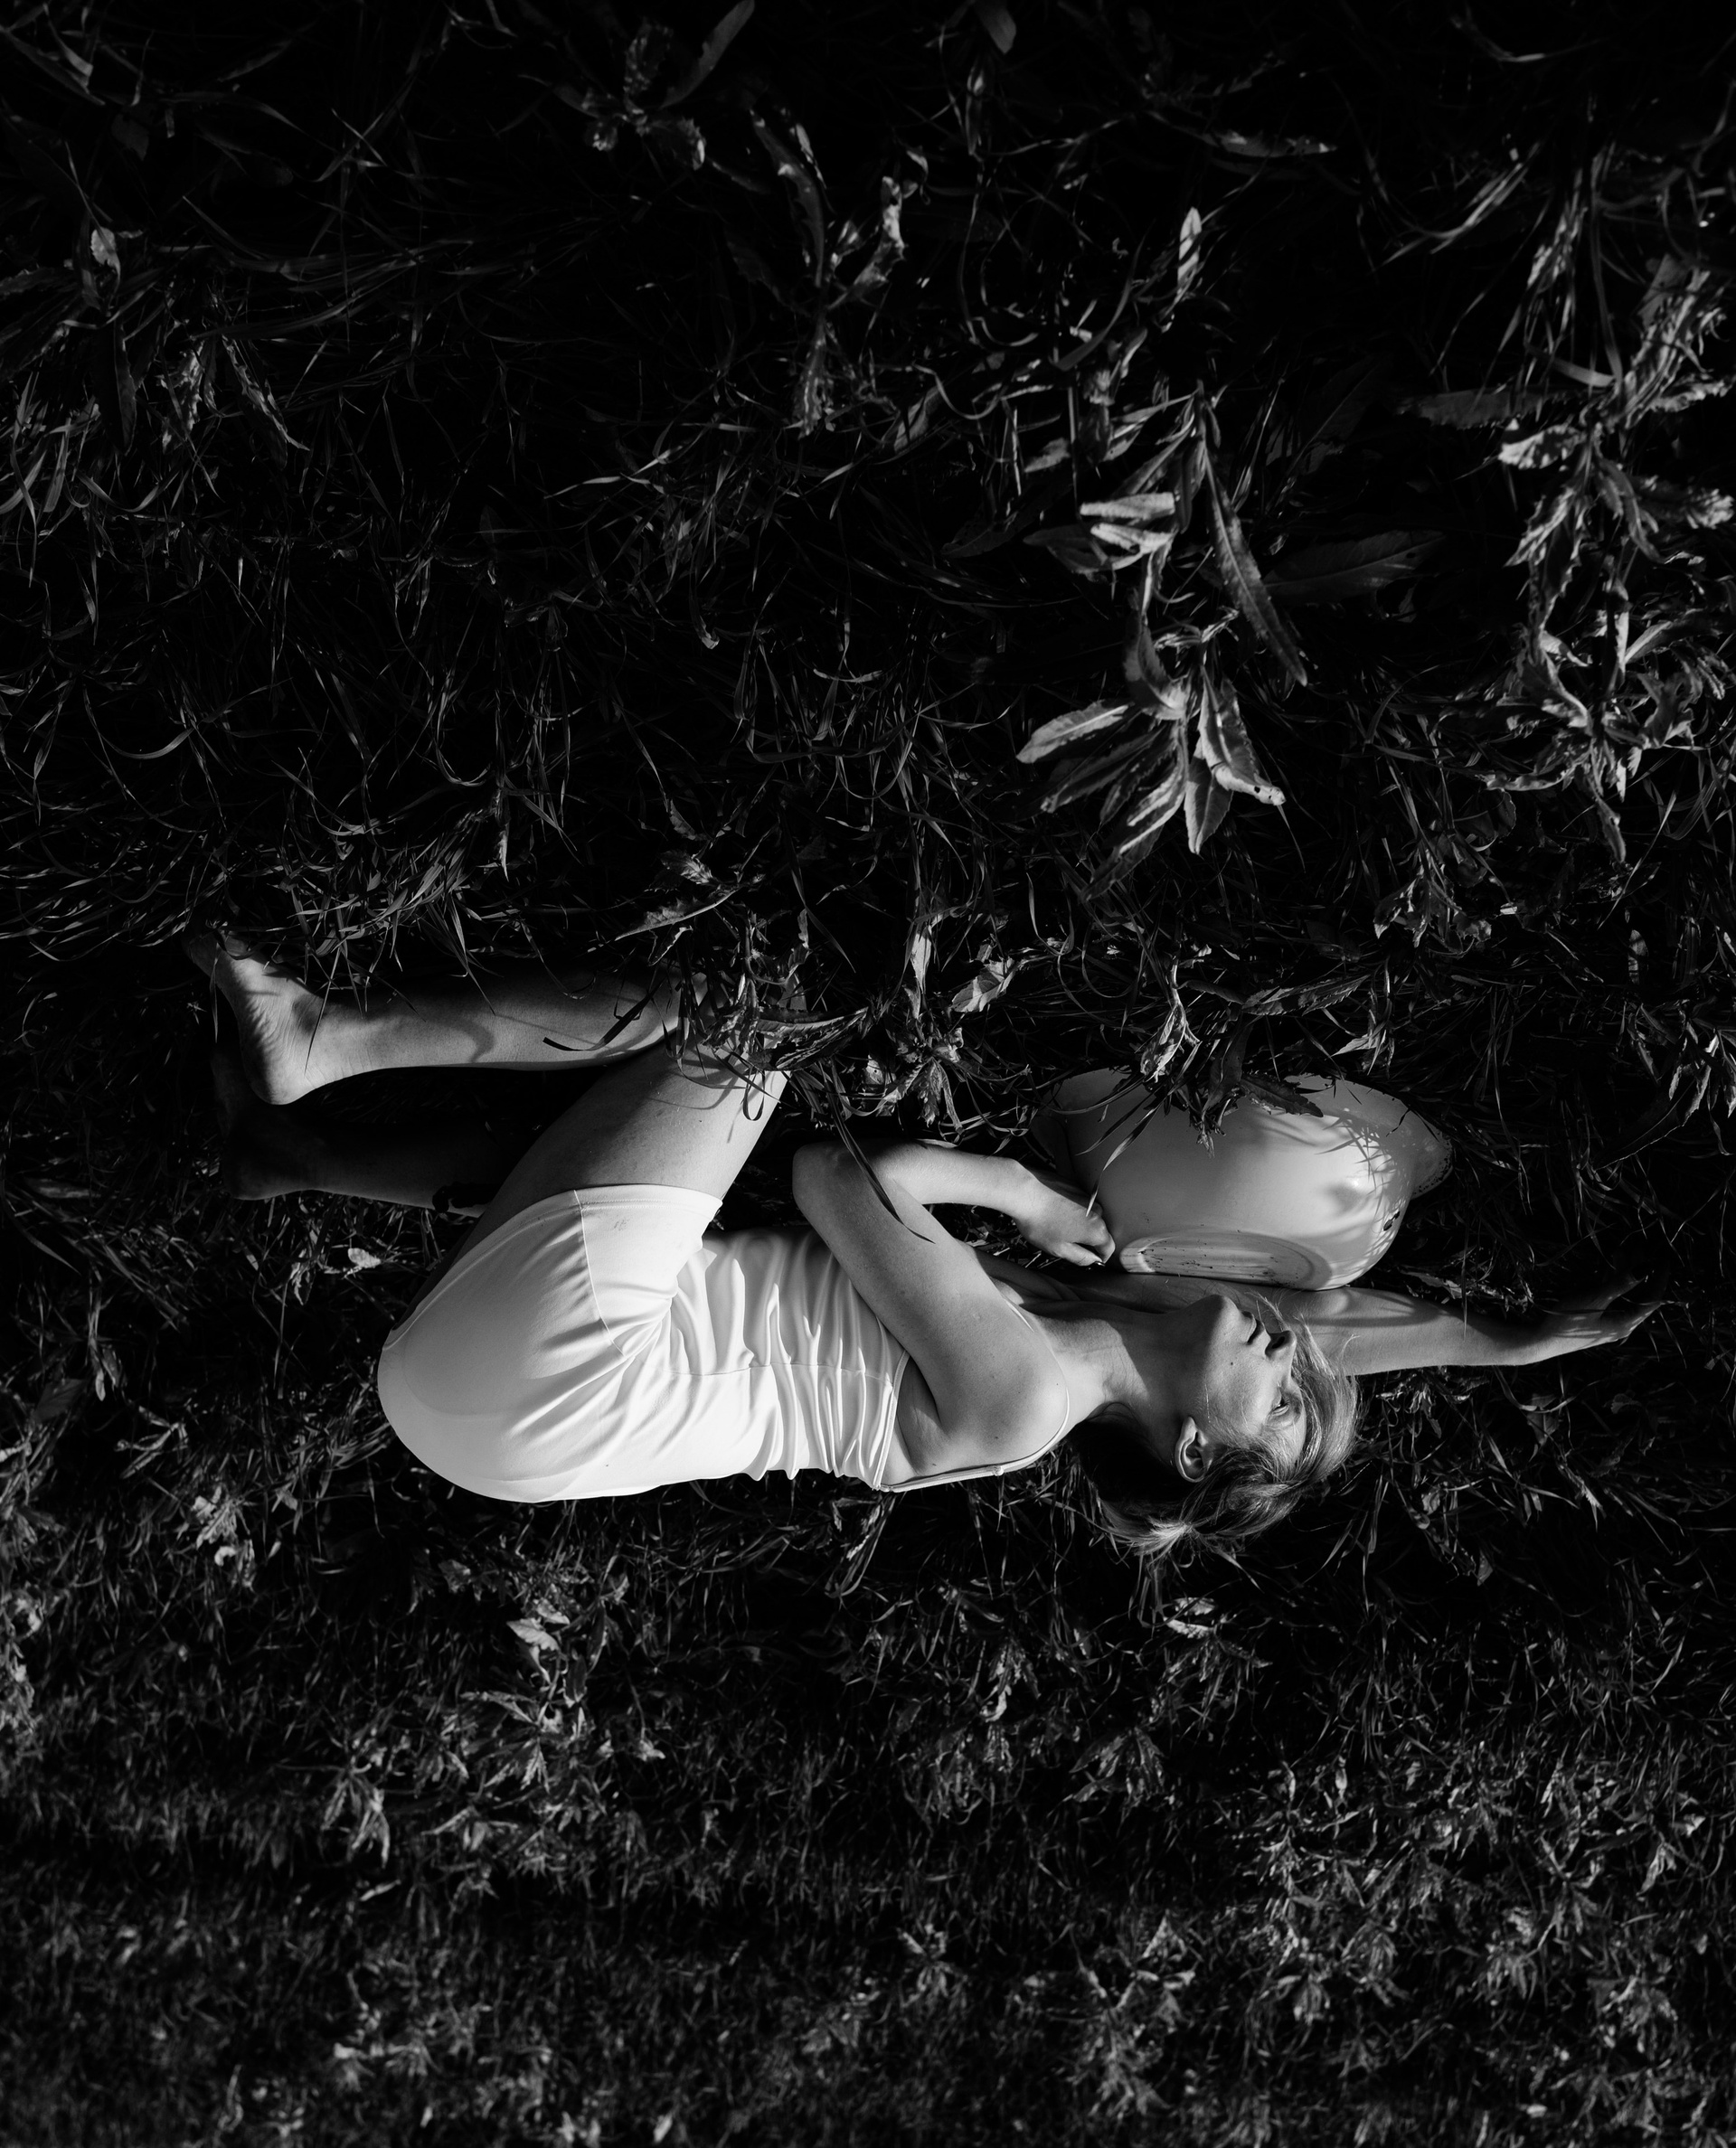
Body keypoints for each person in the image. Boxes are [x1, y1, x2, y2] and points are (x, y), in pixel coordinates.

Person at [187, 936, 1656, 1561]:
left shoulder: (1027, 1400)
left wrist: (1020, 1191)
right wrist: (1495, 1341)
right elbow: (1323, 1331)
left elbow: (841, 1177)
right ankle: (287, 1156)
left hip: (563, 1380)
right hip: (505, 1414)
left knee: (755, 1018)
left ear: (1194, 1449)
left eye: (1281, 1402)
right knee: (671, 1175)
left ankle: (326, 1042)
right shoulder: (1085, 1338)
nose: (1287, 1350)